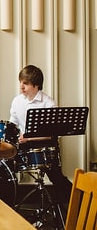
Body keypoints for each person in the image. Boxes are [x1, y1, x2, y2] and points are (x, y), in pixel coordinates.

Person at [9, 64, 72, 203]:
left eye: (25, 83)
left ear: (36, 85)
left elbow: (53, 134)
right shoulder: (17, 101)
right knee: (4, 164)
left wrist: (28, 138)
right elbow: (12, 125)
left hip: (45, 144)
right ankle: (9, 202)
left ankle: (75, 205)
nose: (21, 86)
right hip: (24, 144)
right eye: (20, 82)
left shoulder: (48, 103)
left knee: (56, 177)